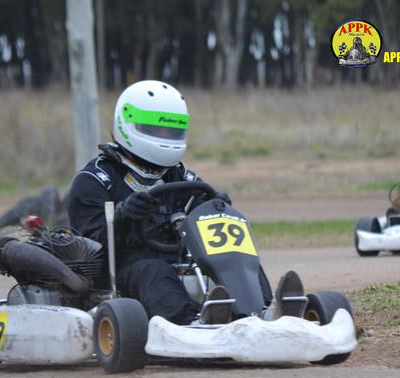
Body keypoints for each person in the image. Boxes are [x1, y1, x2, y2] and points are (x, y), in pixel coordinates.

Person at [66, 80, 280, 325]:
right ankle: (189, 322)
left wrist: (218, 207)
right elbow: (87, 255)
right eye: (157, 130)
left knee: (232, 255)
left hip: (179, 265)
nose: (166, 138)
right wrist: (122, 216)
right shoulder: (95, 180)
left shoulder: (177, 175)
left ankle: (262, 311)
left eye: (172, 131)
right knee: (152, 270)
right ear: (128, 124)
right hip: (121, 278)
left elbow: (204, 215)